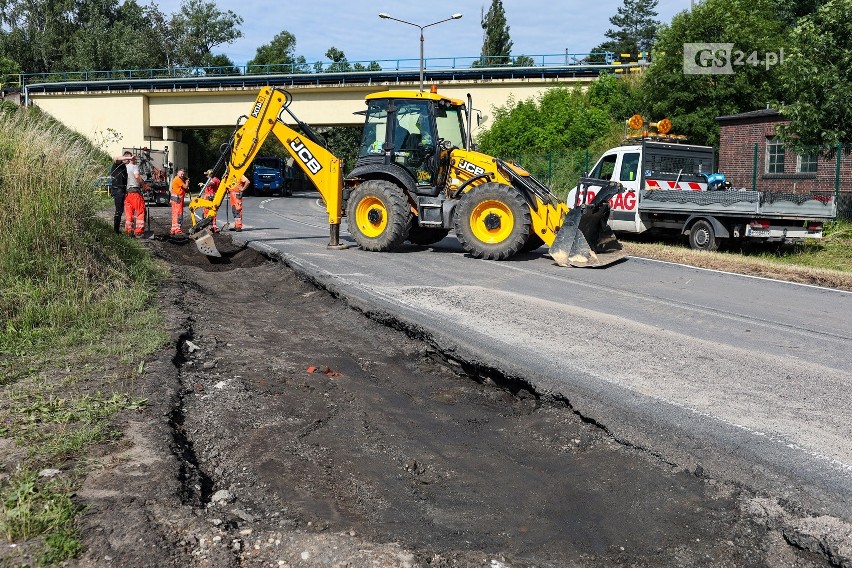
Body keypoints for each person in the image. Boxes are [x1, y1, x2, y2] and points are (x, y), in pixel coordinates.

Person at [124, 154, 150, 237]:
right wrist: (144, 185)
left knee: (129, 212)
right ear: (133, 159)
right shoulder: (134, 167)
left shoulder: (125, 167)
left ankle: (129, 230)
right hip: (135, 193)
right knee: (140, 211)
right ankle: (139, 231)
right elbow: (137, 176)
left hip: (127, 193)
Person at [109, 151, 131, 234]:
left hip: (121, 190)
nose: (129, 161)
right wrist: (129, 158)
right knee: (118, 210)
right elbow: (117, 158)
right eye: (128, 158)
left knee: (120, 210)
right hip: (117, 189)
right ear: (125, 157)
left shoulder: (124, 167)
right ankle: (116, 231)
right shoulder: (117, 164)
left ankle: (117, 230)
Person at [170, 168, 189, 235]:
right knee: (179, 214)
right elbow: (185, 187)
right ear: (177, 173)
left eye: (183, 174)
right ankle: (178, 229)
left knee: (175, 214)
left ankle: (173, 229)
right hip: (178, 200)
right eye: (181, 174)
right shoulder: (178, 179)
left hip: (175, 199)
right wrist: (187, 182)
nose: (182, 175)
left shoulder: (176, 179)